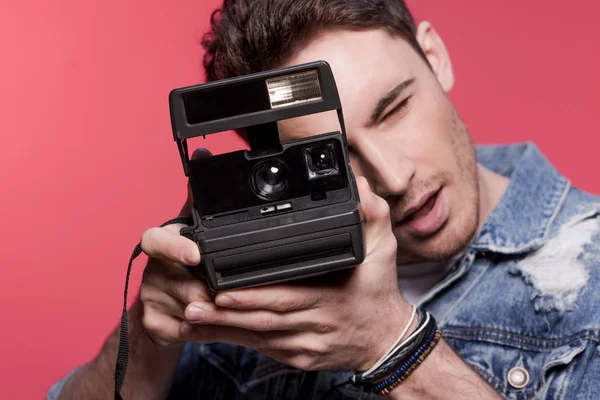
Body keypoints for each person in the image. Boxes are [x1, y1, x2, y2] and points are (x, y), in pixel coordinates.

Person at [48, 1, 600, 399]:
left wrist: (392, 346)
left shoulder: (589, 272)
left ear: (435, 56)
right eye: (330, 156)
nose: (393, 175)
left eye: (394, 111)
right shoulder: (257, 294)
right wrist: (150, 338)